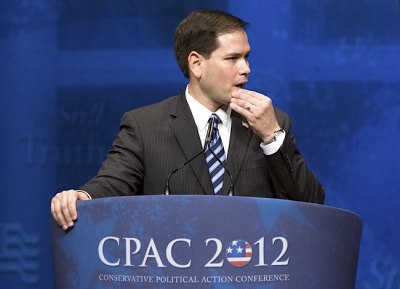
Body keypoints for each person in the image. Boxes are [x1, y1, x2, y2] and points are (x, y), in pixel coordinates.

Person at [51, 9, 325, 231]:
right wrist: (81, 198)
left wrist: (272, 137)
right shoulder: (145, 125)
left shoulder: (272, 121)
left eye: (247, 57)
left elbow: (310, 203)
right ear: (197, 64)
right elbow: (113, 182)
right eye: (233, 58)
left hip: (253, 272)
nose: (246, 69)